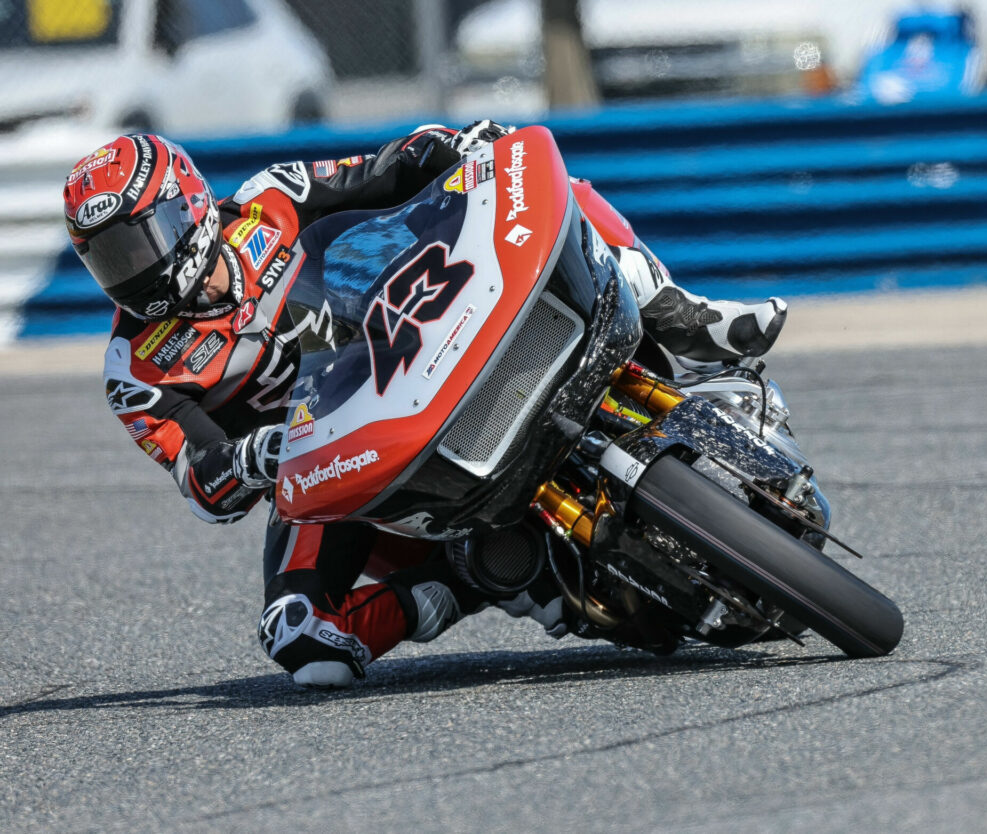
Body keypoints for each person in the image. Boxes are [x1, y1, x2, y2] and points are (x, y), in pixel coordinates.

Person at [63, 121, 787, 689]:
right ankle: (463, 580)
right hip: (348, 467)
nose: (132, 270)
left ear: (185, 205)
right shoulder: (136, 368)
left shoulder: (271, 200)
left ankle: (687, 318)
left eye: (137, 243)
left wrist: (454, 146)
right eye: (108, 260)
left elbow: (388, 169)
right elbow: (199, 481)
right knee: (299, 640)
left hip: (421, 332)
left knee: (557, 186)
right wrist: (251, 456)